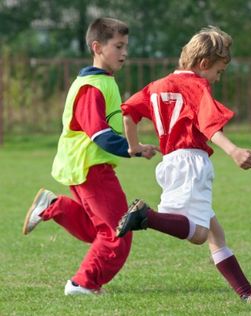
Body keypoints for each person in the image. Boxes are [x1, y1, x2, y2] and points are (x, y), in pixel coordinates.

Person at [115, 26, 251, 301]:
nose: (217, 79)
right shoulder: (197, 86)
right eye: (218, 72)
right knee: (198, 234)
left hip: (170, 162)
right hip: (192, 161)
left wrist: (134, 146)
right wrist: (233, 151)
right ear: (203, 64)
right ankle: (145, 216)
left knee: (214, 234)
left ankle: (247, 293)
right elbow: (210, 126)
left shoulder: (156, 86)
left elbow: (128, 113)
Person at [22, 17, 157, 295]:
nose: (125, 52)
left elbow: (104, 132)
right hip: (91, 169)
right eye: (118, 46)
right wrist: (130, 149)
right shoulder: (91, 87)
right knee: (118, 232)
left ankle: (54, 206)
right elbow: (98, 134)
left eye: (126, 46)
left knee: (97, 231)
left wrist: (135, 146)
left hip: (85, 167)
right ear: (97, 47)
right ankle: (82, 284)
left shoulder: (102, 82)